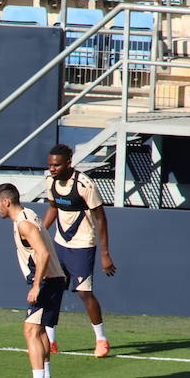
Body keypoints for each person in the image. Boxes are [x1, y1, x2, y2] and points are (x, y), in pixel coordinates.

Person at [0, 184, 68, 378]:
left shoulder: (24, 224)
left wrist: (36, 286)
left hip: (46, 282)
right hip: (52, 280)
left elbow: (43, 253)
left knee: (30, 331)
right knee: (40, 330)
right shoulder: (28, 215)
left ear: (6, 202)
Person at [43, 143, 117, 357]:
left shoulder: (85, 185)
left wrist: (105, 254)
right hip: (59, 244)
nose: (52, 169)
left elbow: (101, 218)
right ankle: (50, 341)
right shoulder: (50, 181)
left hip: (83, 245)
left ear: (68, 163)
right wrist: (40, 233)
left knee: (84, 292)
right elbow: (53, 207)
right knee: (52, 290)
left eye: (56, 165)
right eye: (50, 165)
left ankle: (101, 339)